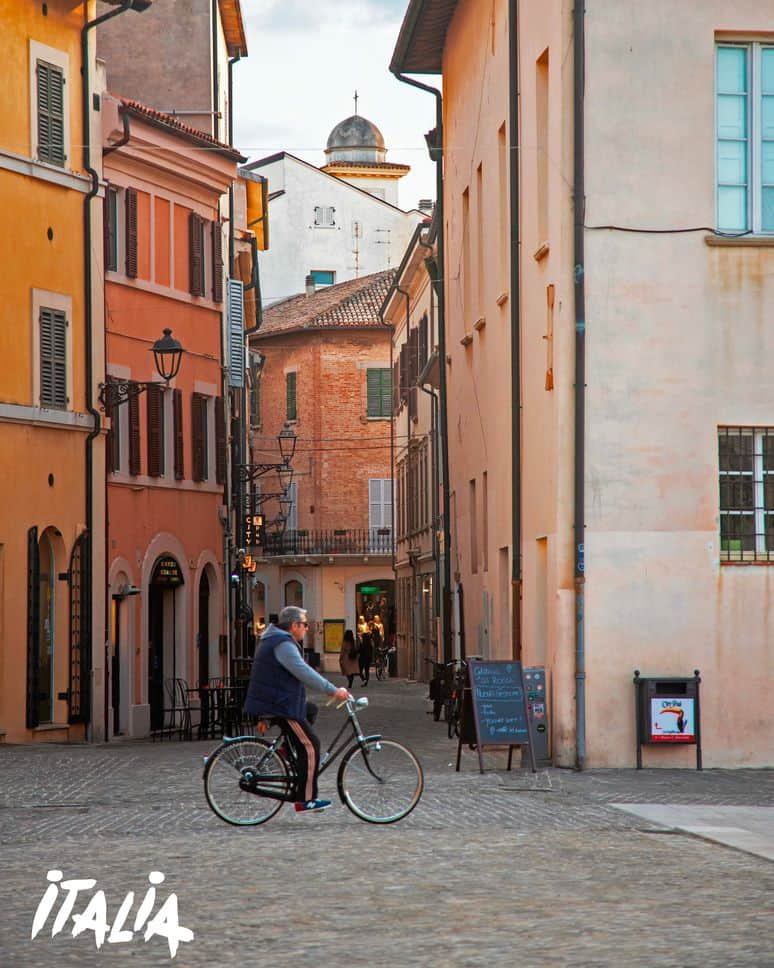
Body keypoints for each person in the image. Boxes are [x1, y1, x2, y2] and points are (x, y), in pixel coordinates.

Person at [244, 606, 350, 813]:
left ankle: (286, 751)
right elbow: (304, 672)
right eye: (304, 624)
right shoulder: (283, 644)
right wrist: (333, 690)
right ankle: (306, 799)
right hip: (279, 704)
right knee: (311, 745)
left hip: (278, 701)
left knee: (310, 710)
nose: (306, 629)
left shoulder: (276, 639)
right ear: (293, 625)